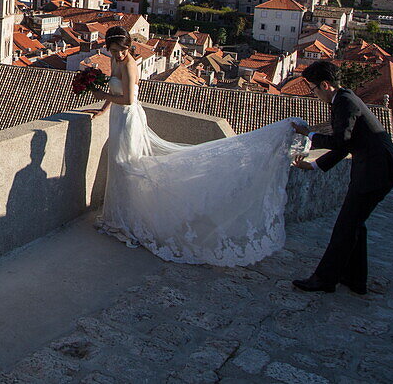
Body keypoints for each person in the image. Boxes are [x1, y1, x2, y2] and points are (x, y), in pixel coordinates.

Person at [92, 26, 301, 266]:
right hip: (116, 118)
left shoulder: (129, 64)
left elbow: (128, 99)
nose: (118, 54)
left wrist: (101, 95)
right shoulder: (114, 61)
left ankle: (131, 220)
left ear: (129, 47)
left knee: (127, 165)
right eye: (114, 50)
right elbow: (113, 91)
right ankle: (118, 217)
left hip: (128, 120)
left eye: (122, 50)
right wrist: (102, 109)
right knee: (118, 166)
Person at [289, 60, 393, 294]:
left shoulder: (344, 102)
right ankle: (354, 278)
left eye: (313, 89)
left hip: (375, 171)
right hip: (377, 170)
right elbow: (345, 145)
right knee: (354, 226)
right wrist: (313, 166)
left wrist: (309, 133)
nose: (314, 94)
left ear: (325, 84)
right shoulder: (343, 99)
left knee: (346, 226)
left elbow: (339, 142)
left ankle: (324, 279)